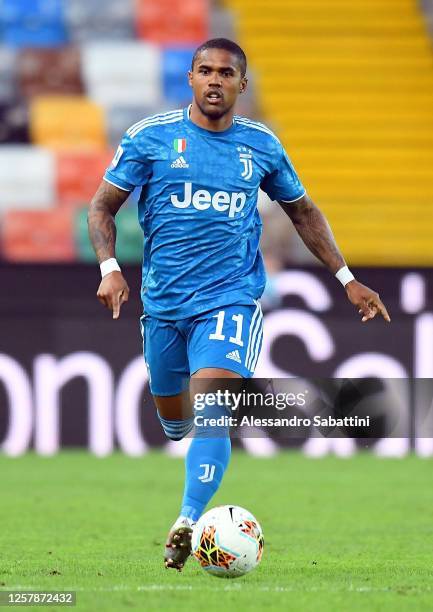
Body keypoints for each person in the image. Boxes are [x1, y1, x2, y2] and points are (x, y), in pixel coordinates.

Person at [87, 38, 390, 572]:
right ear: (190, 78)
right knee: (175, 421)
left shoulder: (261, 146)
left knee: (213, 406)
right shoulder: (150, 138)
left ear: (241, 85)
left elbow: (304, 212)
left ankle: (186, 520)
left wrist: (347, 278)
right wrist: (110, 268)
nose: (214, 80)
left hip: (231, 299)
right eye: (205, 70)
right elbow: (102, 207)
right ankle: (185, 462)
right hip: (163, 306)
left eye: (226, 73)